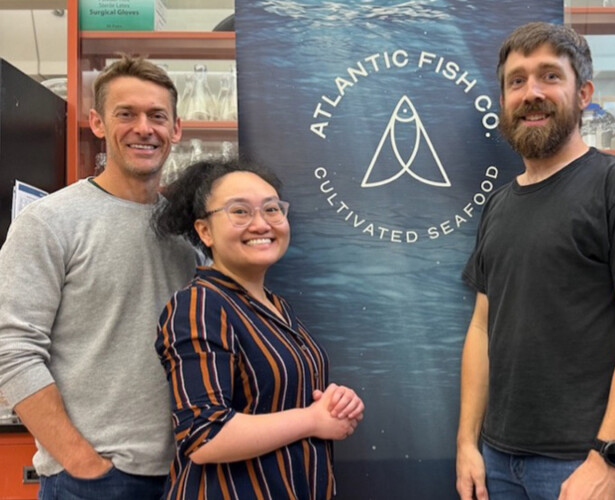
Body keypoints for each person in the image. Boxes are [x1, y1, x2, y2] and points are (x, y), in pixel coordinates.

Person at [456, 22, 615, 500]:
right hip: (499, 460)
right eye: (516, 81)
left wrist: (607, 458)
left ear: (584, 93)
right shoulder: (498, 204)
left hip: (589, 463)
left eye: (549, 77)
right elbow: (481, 329)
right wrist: (467, 443)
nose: (531, 93)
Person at [0, 55, 195, 499]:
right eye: (126, 114)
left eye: (157, 116)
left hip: (188, 471)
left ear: (176, 129)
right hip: (93, 480)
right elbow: (12, 350)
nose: (144, 128)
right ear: (97, 123)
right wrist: (81, 461)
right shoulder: (49, 222)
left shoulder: (190, 233)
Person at [152, 158, 365, 500]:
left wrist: (336, 404)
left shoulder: (276, 306)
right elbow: (205, 435)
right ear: (205, 231)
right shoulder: (200, 305)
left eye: (271, 209)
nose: (261, 224)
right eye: (239, 211)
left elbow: (283, 400)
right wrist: (312, 420)